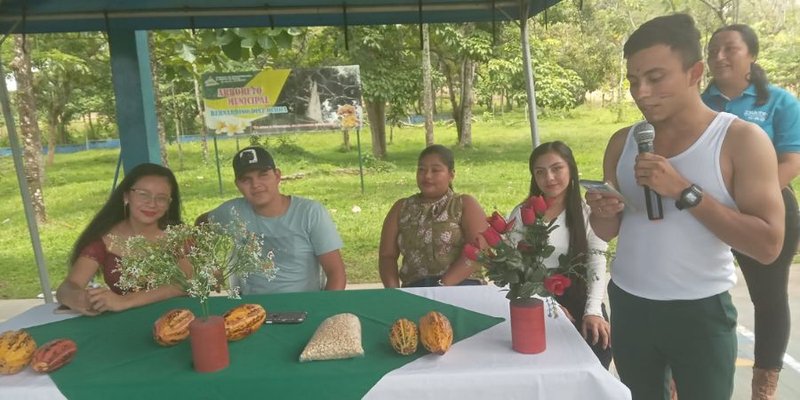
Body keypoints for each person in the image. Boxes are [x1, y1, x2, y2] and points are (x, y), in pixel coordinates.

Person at [586, 14, 785, 400]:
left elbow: (768, 245)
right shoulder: (622, 141)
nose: (641, 92)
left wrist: (684, 191)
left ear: (694, 72)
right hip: (630, 302)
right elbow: (607, 230)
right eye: (632, 81)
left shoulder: (739, 140)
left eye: (656, 78)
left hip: (700, 310)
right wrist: (605, 212)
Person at [702, 24, 800, 399]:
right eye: (712, 50)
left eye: (729, 48)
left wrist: (751, 197)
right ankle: (686, 374)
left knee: (769, 298)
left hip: (766, 213)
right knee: (699, 289)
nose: (719, 57)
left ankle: (764, 386)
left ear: (752, 56)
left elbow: (792, 160)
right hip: (705, 211)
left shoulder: (778, 102)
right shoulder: (701, 103)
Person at [507, 141, 611, 368]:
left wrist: (593, 311)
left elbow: (597, 260)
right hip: (534, 299)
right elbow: (513, 265)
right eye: (540, 172)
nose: (549, 178)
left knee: (596, 350)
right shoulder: (523, 214)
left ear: (571, 169)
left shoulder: (588, 212)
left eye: (557, 168)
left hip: (580, 296)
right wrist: (546, 302)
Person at [208, 146, 346, 294]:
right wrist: (210, 265)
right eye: (246, 180)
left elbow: (336, 274)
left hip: (305, 305)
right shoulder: (232, 212)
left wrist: (323, 308)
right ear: (237, 184)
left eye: (263, 175)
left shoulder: (310, 212)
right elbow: (200, 227)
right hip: (249, 308)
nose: (256, 185)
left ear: (277, 175)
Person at [56, 163, 190, 316]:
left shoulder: (178, 235)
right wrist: (81, 298)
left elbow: (187, 283)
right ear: (126, 196)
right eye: (143, 194)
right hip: (123, 324)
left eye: (161, 198)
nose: (152, 204)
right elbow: (66, 288)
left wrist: (126, 301)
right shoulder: (104, 241)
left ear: (169, 204)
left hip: (180, 321)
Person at [379, 144, 488, 287]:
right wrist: (394, 293)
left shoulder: (464, 204)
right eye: (421, 170)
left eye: (435, 170)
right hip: (416, 289)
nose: (427, 176)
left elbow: (478, 250)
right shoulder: (402, 208)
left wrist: (443, 285)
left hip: (462, 286)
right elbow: (387, 256)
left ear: (451, 175)